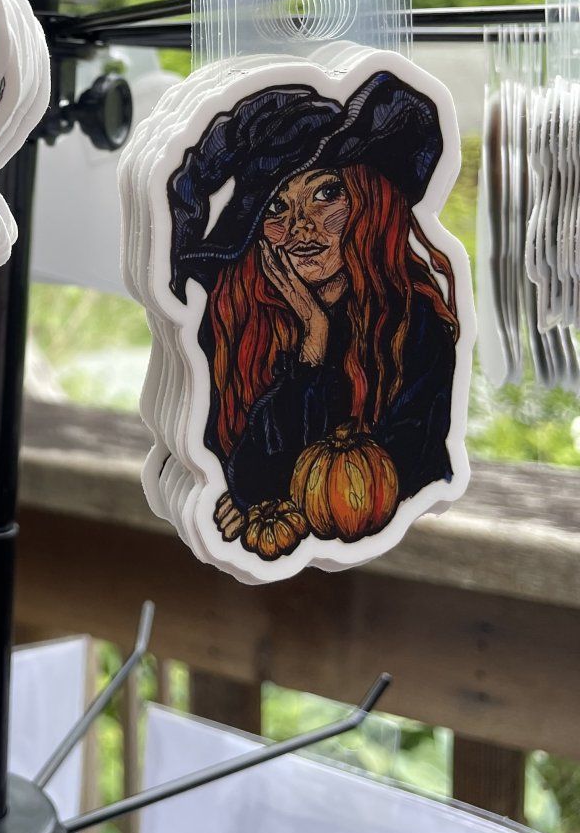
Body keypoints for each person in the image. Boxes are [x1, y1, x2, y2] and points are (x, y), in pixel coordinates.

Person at [165, 72, 460, 559]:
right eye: (276, 207)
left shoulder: (414, 325)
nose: (300, 227)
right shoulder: (238, 324)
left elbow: (400, 476)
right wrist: (312, 345)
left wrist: (274, 497)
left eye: (326, 195)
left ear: (369, 201)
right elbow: (242, 471)